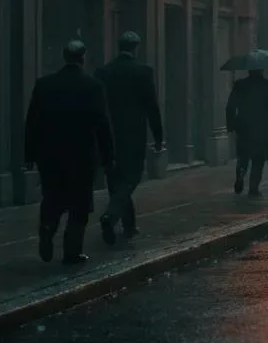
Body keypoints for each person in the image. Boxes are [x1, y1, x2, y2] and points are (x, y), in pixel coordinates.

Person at [24, 39, 115, 265]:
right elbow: (102, 124)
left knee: (52, 196)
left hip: (50, 155)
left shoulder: (44, 84)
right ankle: (71, 252)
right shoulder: (92, 86)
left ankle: (47, 229)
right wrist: (107, 157)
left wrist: (29, 154)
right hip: (81, 156)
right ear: (82, 58)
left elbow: (32, 122)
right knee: (79, 204)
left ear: (64, 57)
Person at [95, 31, 164, 244]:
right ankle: (111, 215)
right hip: (134, 136)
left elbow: (98, 107)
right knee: (131, 179)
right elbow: (152, 107)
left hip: (109, 135)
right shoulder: (143, 72)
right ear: (136, 48)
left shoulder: (103, 72)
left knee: (115, 179)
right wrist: (158, 136)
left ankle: (129, 226)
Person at [226, 67, 268, 198]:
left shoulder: (240, 85)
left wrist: (230, 124)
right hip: (260, 127)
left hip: (243, 126)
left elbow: (231, 105)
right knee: (258, 159)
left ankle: (241, 174)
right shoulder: (266, 86)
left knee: (243, 156)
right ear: (261, 71)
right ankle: (253, 188)